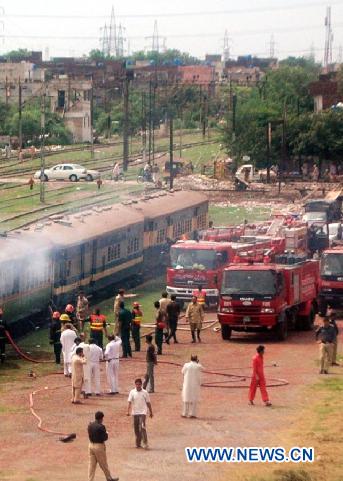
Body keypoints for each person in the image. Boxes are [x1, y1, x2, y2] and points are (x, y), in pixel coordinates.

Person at [88, 411, 119, 481]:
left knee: (91, 465)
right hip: (99, 447)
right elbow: (105, 438)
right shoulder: (101, 427)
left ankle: (90, 479)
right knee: (103, 464)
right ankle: (109, 478)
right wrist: (106, 433)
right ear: (101, 419)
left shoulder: (90, 425)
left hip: (90, 445)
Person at [127, 378, 153, 449]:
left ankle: (145, 443)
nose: (138, 386)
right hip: (135, 413)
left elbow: (148, 403)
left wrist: (151, 412)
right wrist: (128, 411)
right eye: (137, 384)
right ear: (135, 384)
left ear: (141, 385)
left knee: (142, 427)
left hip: (143, 412)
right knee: (136, 429)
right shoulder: (132, 392)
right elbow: (129, 402)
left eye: (139, 384)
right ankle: (138, 443)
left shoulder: (145, 392)